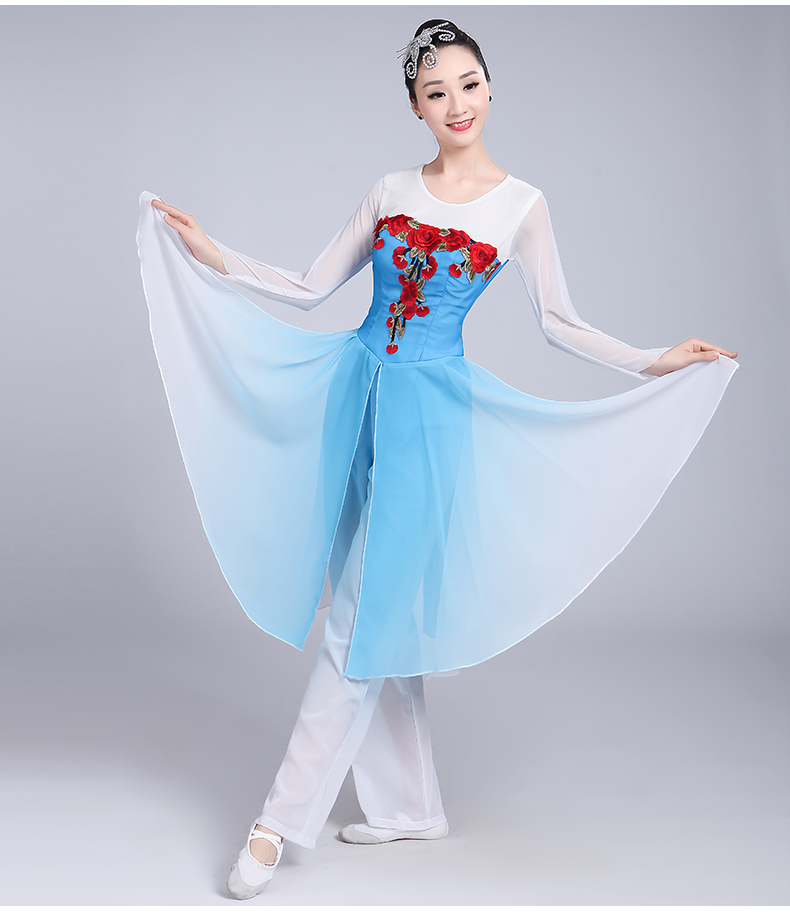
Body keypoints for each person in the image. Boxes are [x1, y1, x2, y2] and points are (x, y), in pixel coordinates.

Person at [137, 19, 737, 900]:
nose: (457, 103)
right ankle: (409, 807)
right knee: (376, 610)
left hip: (431, 421)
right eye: (435, 91)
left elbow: (559, 323)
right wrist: (212, 253)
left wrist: (655, 360)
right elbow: (310, 286)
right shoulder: (388, 189)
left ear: (491, 88)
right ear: (415, 106)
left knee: (356, 618)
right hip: (356, 400)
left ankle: (277, 820)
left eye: (469, 84)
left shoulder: (521, 206)